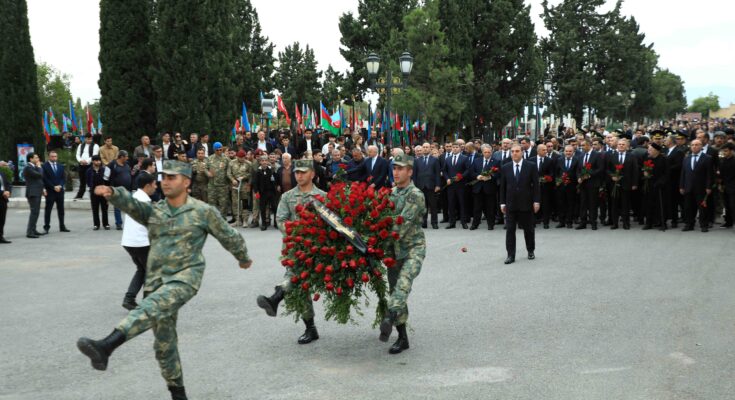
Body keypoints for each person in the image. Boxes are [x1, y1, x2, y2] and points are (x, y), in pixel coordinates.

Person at [77, 160, 253, 400]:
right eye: (163, 177)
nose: (165, 182)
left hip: (184, 278)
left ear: (187, 182)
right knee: (164, 344)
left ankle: (107, 345)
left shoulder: (203, 211)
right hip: (155, 281)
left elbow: (229, 235)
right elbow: (133, 206)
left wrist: (243, 257)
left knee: (152, 306)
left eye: (172, 177)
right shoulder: (156, 210)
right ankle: (178, 394)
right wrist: (113, 193)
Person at [257, 159, 326, 344]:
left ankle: (277, 296)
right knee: (300, 286)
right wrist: (296, 233)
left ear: (312, 174)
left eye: (303, 172)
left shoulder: (322, 197)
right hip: (294, 248)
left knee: (297, 279)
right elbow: (280, 219)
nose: (299, 175)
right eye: (297, 172)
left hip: (316, 250)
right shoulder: (288, 196)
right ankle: (310, 328)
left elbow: (329, 223)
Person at [378, 154, 426, 354]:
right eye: (394, 168)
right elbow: (379, 218)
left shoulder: (415, 195)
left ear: (410, 172)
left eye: (400, 168)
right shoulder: (389, 193)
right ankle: (402, 337)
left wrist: (377, 240)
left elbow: (401, 225)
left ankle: (390, 316)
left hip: (413, 248)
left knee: (403, 284)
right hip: (393, 251)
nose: (396, 172)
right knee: (394, 291)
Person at [120, 172, 156, 310]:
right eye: (154, 184)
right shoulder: (144, 201)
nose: (156, 187)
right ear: (148, 185)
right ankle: (148, 304)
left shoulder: (135, 197)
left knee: (142, 269)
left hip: (129, 241)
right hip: (141, 242)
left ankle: (129, 299)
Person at [500, 144, 540, 265]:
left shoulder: (531, 166)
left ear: (522, 152)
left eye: (517, 151)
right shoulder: (505, 167)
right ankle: (510, 255)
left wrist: (536, 201)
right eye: (512, 151)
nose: (514, 153)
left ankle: (530, 250)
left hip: (526, 203)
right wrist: (502, 203)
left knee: (529, 229)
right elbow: (502, 187)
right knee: (510, 230)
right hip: (510, 204)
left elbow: (536, 185)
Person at [679, 139, 713, 232]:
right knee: (688, 207)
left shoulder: (707, 158)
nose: (694, 146)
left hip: (701, 187)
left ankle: (704, 225)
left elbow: (710, 174)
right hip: (688, 187)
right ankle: (689, 224)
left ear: (701, 146)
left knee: (702, 208)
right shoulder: (686, 158)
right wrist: (681, 186)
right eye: (693, 145)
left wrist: (708, 186)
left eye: (697, 145)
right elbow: (683, 173)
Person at [607, 139, 639, 230]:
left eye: (623, 144)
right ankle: (615, 223)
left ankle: (626, 223)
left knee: (625, 204)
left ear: (627, 146)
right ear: (617, 145)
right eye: (619, 144)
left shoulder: (632, 156)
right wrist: (612, 176)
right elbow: (607, 169)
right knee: (614, 204)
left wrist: (634, 183)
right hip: (614, 184)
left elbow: (635, 170)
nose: (621, 146)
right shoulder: (612, 156)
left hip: (627, 184)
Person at [469, 144, 501, 230]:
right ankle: (475, 224)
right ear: (482, 152)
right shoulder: (476, 161)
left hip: (490, 188)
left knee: (490, 208)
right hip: (478, 188)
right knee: (477, 207)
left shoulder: (496, 161)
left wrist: (490, 177)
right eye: (485, 152)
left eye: (488, 152)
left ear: (491, 152)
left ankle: (490, 224)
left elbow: (499, 173)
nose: (487, 154)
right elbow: (471, 172)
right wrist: (477, 176)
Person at [576, 139, 604, 230]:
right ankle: (583, 222)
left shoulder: (597, 155)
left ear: (589, 145)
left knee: (592, 203)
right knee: (583, 203)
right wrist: (579, 177)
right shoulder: (581, 155)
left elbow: (600, 168)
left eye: (583, 145)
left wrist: (589, 174)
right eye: (581, 146)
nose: (581, 147)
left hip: (593, 183)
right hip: (583, 183)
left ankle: (593, 222)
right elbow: (578, 169)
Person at [412, 144, 441, 229]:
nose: (425, 149)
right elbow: (414, 174)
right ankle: (424, 222)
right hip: (420, 186)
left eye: (427, 147)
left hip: (431, 186)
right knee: (423, 206)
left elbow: (437, 174)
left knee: (433, 206)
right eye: (424, 147)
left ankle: (434, 223)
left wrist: (438, 185)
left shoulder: (435, 160)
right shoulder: (417, 160)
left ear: (430, 149)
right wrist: (414, 186)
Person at [443, 141, 470, 229]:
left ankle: (463, 222)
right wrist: (447, 178)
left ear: (460, 148)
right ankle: (452, 222)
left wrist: (461, 176)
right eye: (453, 147)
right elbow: (444, 170)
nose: (454, 149)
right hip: (450, 185)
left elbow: (468, 170)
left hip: (461, 185)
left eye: (456, 147)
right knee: (451, 204)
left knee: (462, 204)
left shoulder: (465, 158)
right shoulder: (448, 159)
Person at [642, 143, 668, 231]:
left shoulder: (664, 159)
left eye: (650, 150)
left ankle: (662, 222)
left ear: (656, 150)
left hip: (660, 186)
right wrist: (645, 173)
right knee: (649, 204)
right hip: (649, 185)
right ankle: (649, 222)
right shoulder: (648, 159)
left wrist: (660, 182)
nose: (648, 151)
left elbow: (666, 173)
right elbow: (644, 168)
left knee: (660, 205)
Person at [42, 151, 70, 233]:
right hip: (50, 191)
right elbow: (45, 179)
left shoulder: (60, 166)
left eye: (55, 156)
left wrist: (60, 185)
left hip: (60, 191)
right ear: (49, 157)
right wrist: (53, 187)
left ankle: (62, 226)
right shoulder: (44, 166)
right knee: (48, 209)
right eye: (52, 156)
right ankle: (46, 227)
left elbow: (63, 177)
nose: (54, 158)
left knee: (61, 209)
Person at [106, 151, 133, 230]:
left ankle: (130, 223)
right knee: (117, 208)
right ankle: (119, 223)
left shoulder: (127, 164)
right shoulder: (112, 164)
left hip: (127, 189)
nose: (127, 158)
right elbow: (106, 177)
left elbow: (130, 174)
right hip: (116, 190)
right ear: (121, 157)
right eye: (126, 156)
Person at [555, 145, 579, 229]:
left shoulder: (577, 160)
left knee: (571, 204)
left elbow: (577, 172)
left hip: (572, 186)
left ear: (573, 152)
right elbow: (556, 172)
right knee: (561, 204)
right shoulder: (559, 160)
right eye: (566, 151)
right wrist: (558, 181)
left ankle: (569, 222)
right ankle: (561, 222)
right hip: (561, 186)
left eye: (570, 151)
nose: (568, 153)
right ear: (564, 152)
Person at [227, 150, 253, 227]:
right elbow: (228, 173)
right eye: (240, 157)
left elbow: (251, 174)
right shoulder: (232, 163)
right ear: (237, 157)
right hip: (235, 185)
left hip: (244, 185)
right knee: (235, 203)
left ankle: (245, 220)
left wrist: (245, 178)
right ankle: (238, 220)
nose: (242, 159)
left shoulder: (248, 164)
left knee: (245, 202)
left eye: (243, 157)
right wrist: (232, 180)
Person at [23, 153, 45, 238]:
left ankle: (33, 229)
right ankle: (29, 232)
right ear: (31, 159)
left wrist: (43, 189)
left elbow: (39, 179)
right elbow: (39, 175)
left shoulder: (33, 167)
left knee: (36, 212)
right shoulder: (28, 168)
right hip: (33, 193)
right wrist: (39, 167)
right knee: (34, 212)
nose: (38, 159)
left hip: (37, 192)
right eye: (36, 158)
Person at [253, 155, 277, 231]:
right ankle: (264, 224)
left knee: (274, 207)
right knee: (263, 209)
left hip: (271, 192)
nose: (264, 162)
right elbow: (255, 183)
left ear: (268, 162)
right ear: (260, 162)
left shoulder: (271, 170)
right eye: (262, 161)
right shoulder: (258, 171)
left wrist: (276, 187)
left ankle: (276, 222)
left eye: (265, 160)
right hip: (262, 193)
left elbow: (275, 179)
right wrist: (256, 192)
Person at [206, 142, 230, 218]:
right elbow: (205, 168)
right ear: (214, 150)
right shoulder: (209, 158)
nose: (219, 151)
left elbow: (230, 171)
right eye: (217, 150)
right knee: (212, 204)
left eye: (220, 149)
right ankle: (214, 220)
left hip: (223, 186)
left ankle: (223, 220)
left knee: (223, 204)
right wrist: (208, 173)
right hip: (212, 186)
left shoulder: (226, 159)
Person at [87, 155, 110, 230]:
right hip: (94, 193)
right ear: (93, 161)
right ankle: (96, 224)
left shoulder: (104, 170)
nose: (98, 162)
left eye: (99, 160)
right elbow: (88, 181)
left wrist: (107, 192)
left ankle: (106, 224)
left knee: (104, 209)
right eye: (96, 160)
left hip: (103, 192)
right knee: (95, 209)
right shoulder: (89, 171)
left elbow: (107, 181)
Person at [75, 134, 100, 200]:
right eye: (88, 139)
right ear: (85, 139)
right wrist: (80, 160)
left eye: (90, 139)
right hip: (81, 165)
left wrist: (87, 161)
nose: (89, 140)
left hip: (90, 165)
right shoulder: (80, 145)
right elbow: (77, 155)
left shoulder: (95, 146)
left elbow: (94, 155)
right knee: (82, 181)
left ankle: (93, 194)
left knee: (91, 180)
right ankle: (80, 195)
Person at [719, 143, 735, 228]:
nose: (724, 153)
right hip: (725, 186)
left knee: (733, 205)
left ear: (732, 151)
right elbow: (721, 174)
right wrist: (721, 184)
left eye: (726, 151)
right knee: (727, 205)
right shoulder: (723, 160)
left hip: (733, 186)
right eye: (723, 151)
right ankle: (728, 222)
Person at [0, 168, 10, 243]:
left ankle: (0, 236)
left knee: (2, 219)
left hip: (3, 199)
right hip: (2, 194)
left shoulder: (2, 173)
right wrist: (2, 192)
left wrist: (8, 191)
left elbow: (8, 183)